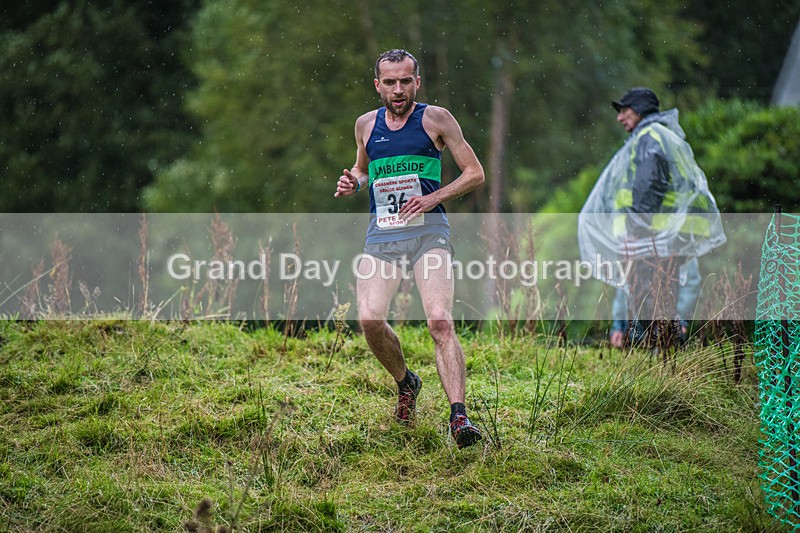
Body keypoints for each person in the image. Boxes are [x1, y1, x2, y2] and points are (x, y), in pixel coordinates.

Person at [334, 49, 485, 448]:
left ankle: (459, 417)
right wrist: (354, 181)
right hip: (382, 235)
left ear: (417, 82)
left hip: (428, 232)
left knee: (439, 320)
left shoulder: (436, 119)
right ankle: (407, 382)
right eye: (390, 82)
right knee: (368, 320)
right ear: (377, 85)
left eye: (405, 81)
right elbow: (365, 169)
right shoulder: (365, 124)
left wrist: (434, 199)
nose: (398, 90)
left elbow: (475, 173)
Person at [578, 87, 726, 349]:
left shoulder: (649, 137)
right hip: (667, 236)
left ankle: (660, 364)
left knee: (650, 301)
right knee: (662, 299)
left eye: (624, 111)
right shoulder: (663, 136)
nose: (620, 118)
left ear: (638, 110)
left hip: (653, 237)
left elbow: (649, 187)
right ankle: (665, 363)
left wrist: (636, 232)